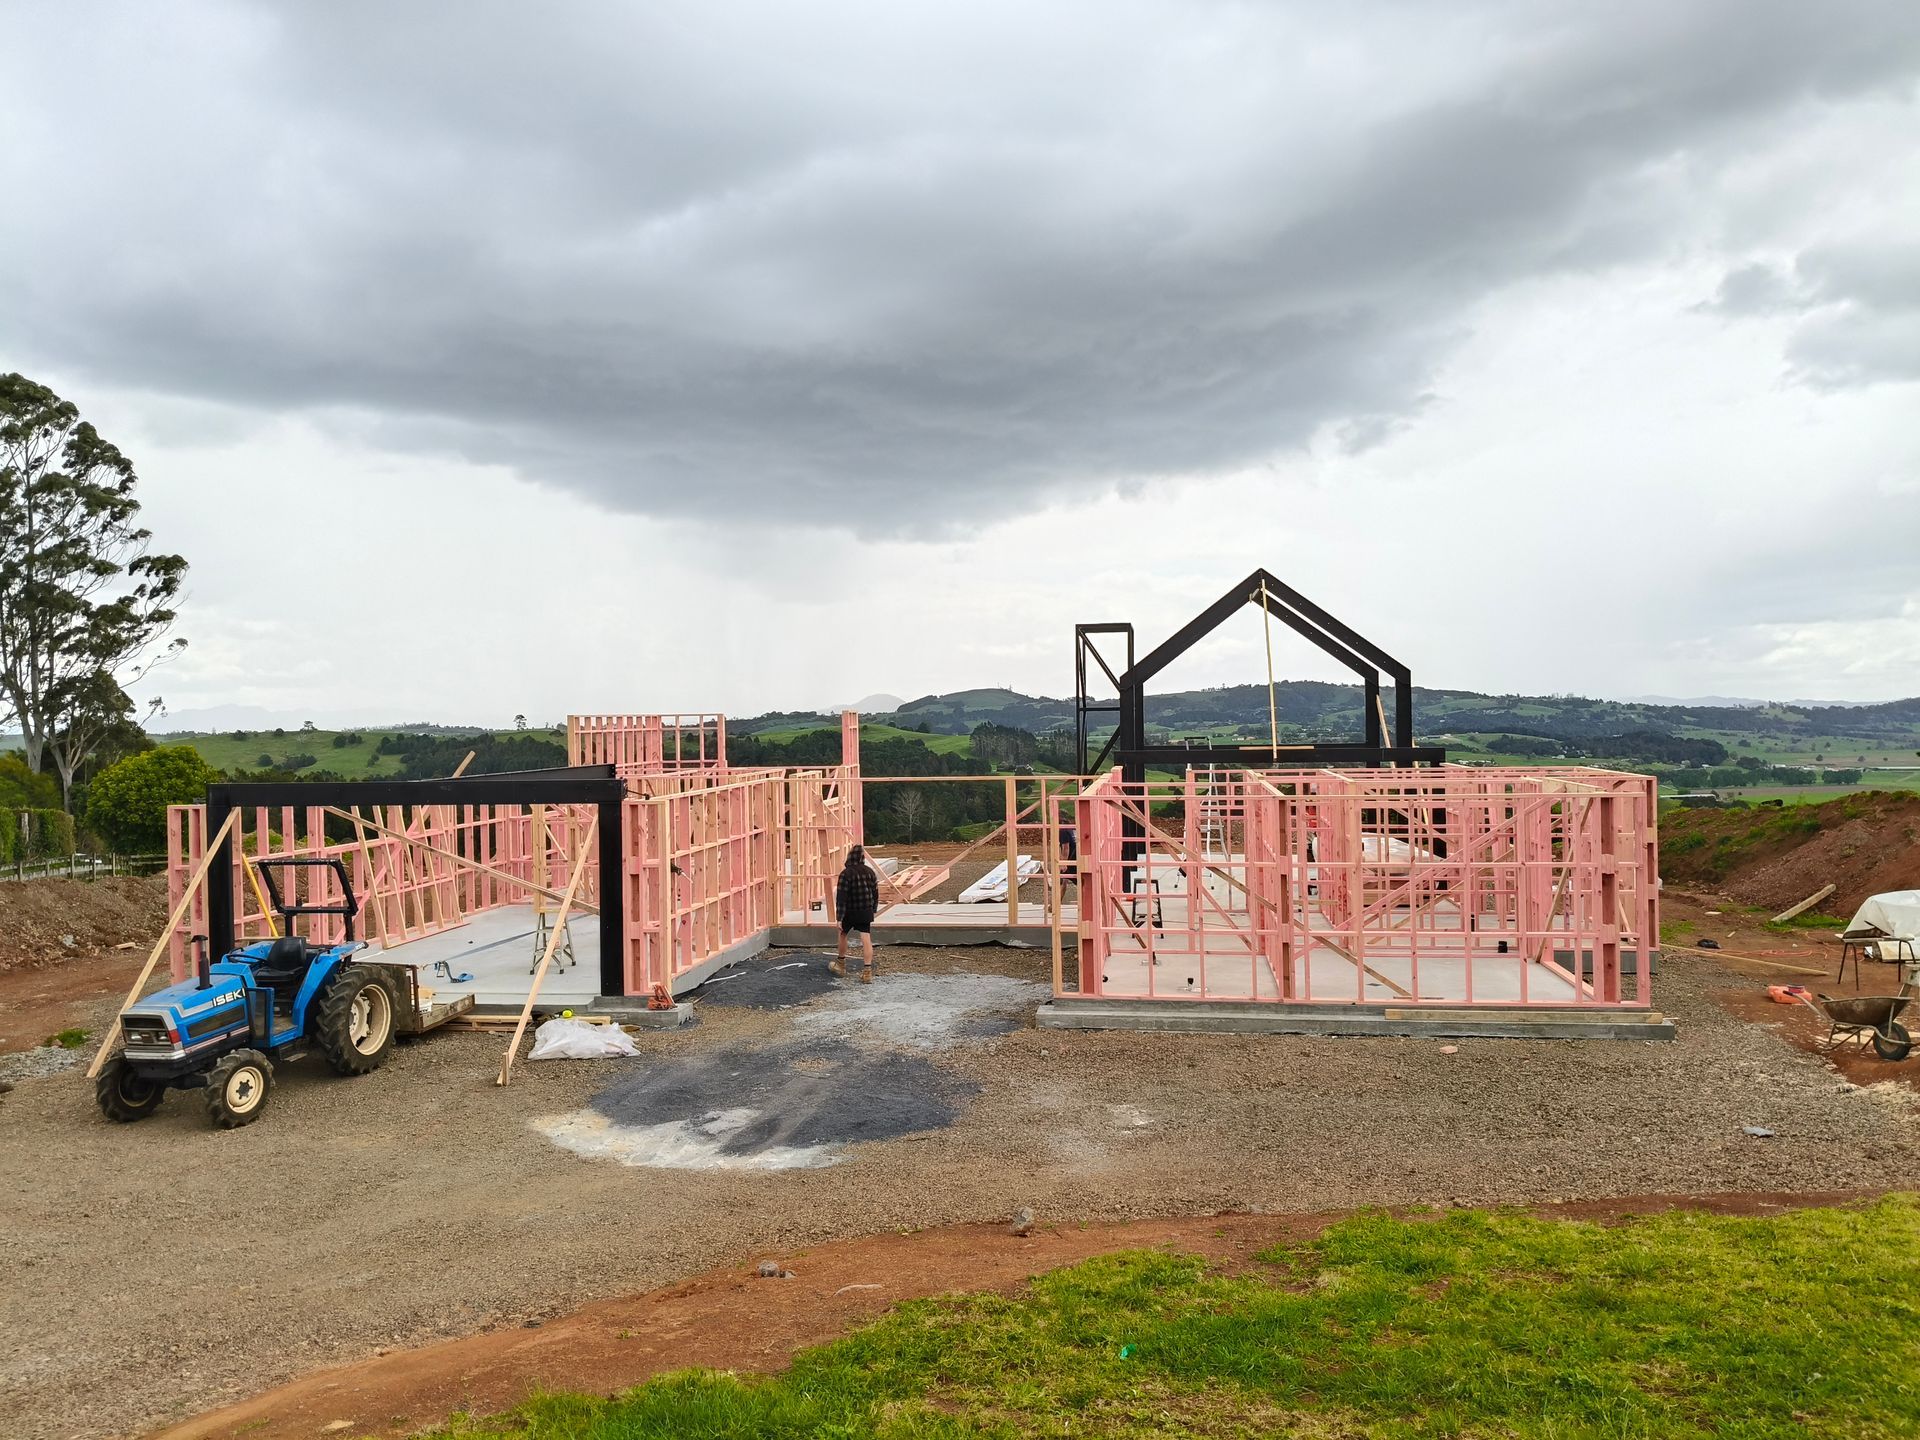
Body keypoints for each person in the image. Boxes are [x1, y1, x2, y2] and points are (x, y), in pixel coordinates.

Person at [830, 844, 880, 983]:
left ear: (849, 857)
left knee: (842, 934)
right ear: (862, 857)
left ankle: (840, 965)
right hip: (865, 911)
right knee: (866, 939)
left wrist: (839, 918)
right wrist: (873, 909)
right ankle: (867, 972)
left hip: (850, 912)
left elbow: (841, 898)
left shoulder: (846, 874)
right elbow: (875, 893)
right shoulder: (870, 872)